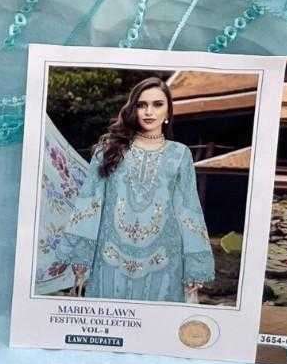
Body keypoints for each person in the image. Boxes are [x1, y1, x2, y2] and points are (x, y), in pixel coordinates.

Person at [50, 77, 215, 303]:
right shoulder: (109, 151)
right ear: (133, 109)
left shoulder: (180, 154)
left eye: (157, 104)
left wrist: (195, 266)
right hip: (110, 256)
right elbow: (91, 202)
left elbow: (188, 210)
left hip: (165, 260)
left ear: (168, 112)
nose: (149, 111)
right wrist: (82, 254)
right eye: (141, 105)